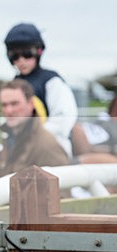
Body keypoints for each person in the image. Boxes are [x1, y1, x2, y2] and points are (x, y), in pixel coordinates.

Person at [4, 22, 78, 157]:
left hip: (51, 149)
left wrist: (32, 136)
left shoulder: (51, 81)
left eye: (27, 53)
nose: (21, 60)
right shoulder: (13, 84)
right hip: (19, 150)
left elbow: (63, 119)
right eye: (15, 55)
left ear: (38, 52)